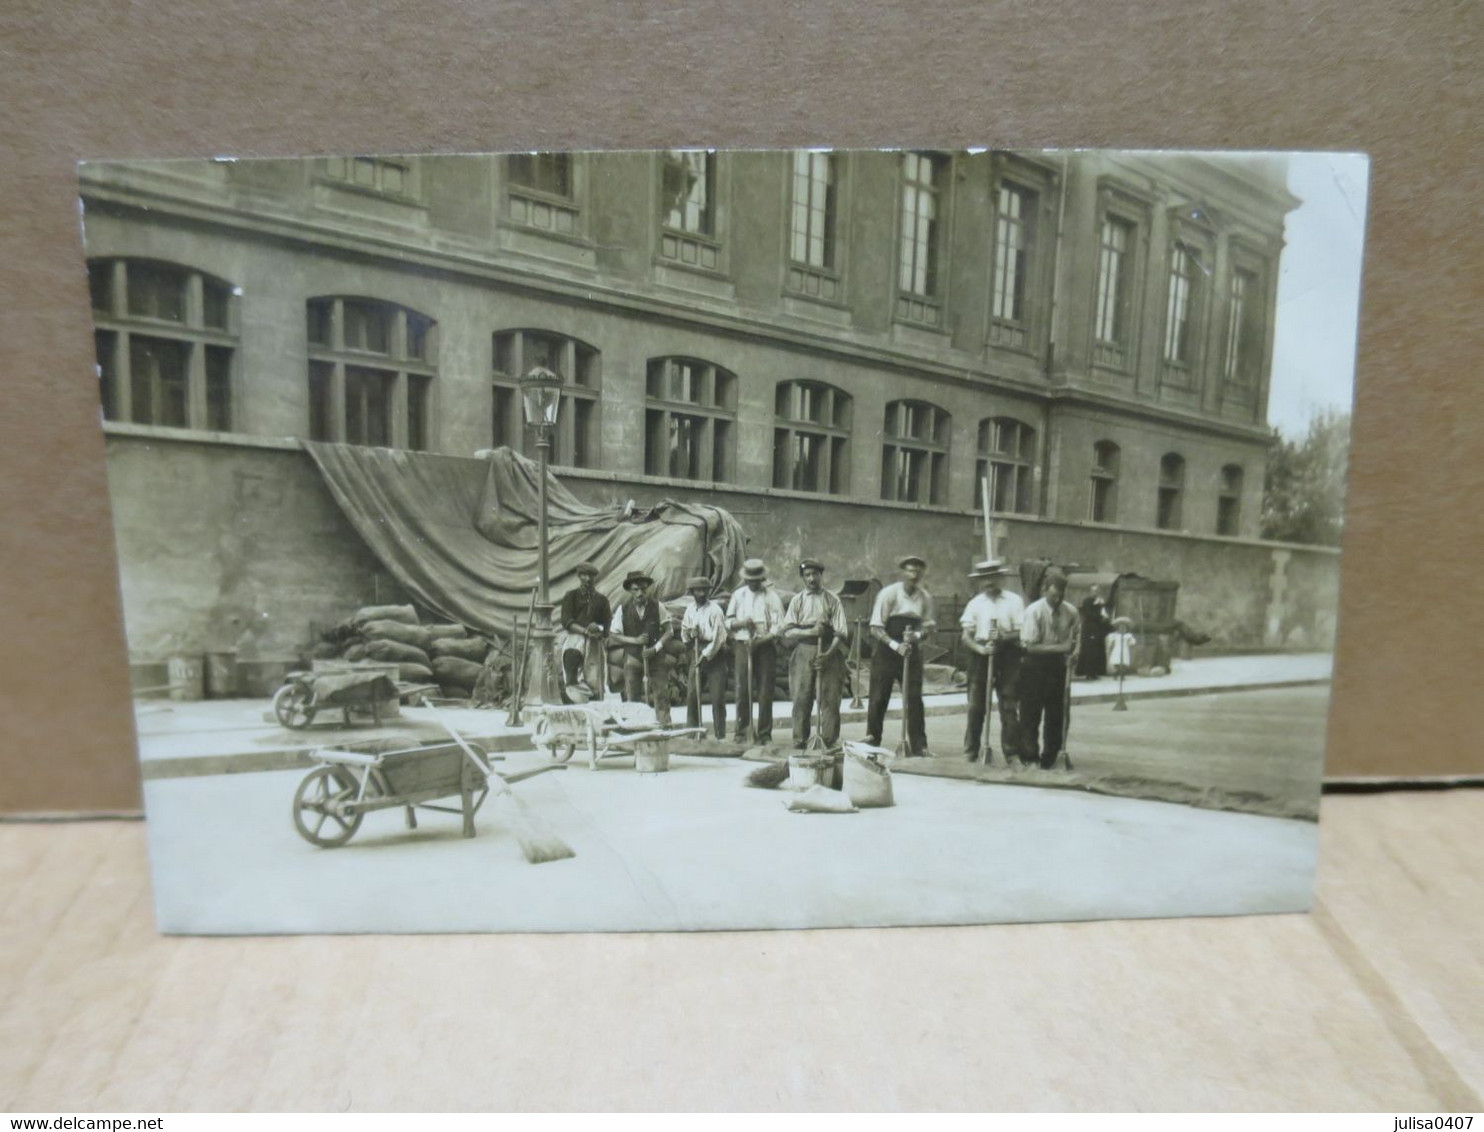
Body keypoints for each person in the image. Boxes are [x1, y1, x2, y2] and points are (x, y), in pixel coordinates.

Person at [866, 555, 937, 757]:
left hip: (912, 651)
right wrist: (896, 646)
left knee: (915, 699)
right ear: (902, 573)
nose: (913, 575)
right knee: (879, 698)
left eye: (917, 571)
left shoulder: (925, 598)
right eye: (909, 571)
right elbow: (875, 627)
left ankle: (919, 746)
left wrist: (916, 635)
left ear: (922, 574)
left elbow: (929, 627)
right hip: (887, 650)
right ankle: (872, 743)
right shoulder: (889, 594)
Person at [958, 558, 1026, 764]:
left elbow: (1022, 631)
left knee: (1008, 705)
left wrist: (1004, 637)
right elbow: (966, 636)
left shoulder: (1014, 601)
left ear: (1000, 577)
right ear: (980, 581)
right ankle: (971, 751)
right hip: (980, 656)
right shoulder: (975, 604)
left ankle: (1012, 753)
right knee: (976, 705)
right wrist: (981, 648)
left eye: (992, 577)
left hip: (1008, 655)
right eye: (984, 578)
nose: (989, 582)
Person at [784, 558, 850, 748]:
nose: (812, 578)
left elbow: (841, 631)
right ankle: (800, 740)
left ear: (821, 575)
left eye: (815, 574)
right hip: (803, 652)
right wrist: (810, 632)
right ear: (803, 578)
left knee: (830, 699)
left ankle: (828, 740)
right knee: (800, 697)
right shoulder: (798, 601)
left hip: (830, 651)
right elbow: (787, 630)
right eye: (807, 575)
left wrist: (828, 654)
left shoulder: (832, 600)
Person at [1019, 568, 1080, 769]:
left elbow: (1078, 636)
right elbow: (1030, 646)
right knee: (1031, 714)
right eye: (1054, 595)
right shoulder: (1034, 612)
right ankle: (1030, 757)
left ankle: (1051, 757)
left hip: (1058, 668)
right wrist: (1062, 648)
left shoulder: (1070, 611)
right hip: (1034, 666)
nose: (1057, 599)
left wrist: (1075, 653)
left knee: (1058, 714)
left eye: (1061, 595)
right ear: (1045, 590)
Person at [725, 558, 785, 744]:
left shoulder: (771, 597)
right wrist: (742, 623)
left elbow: (780, 627)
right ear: (745, 579)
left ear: (762, 579)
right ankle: (742, 732)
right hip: (743, 645)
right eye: (749, 580)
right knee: (742, 688)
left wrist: (762, 639)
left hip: (765, 646)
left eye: (756, 580)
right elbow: (728, 621)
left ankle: (765, 734)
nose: (753, 583)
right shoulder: (738, 595)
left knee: (765, 690)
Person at [609, 569, 674, 726]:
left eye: (643, 589)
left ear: (648, 589)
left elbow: (669, 631)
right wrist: (634, 641)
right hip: (633, 659)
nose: (640, 593)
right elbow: (613, 634)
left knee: (662, 695)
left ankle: (664, 727)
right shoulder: (622, 609)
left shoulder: (658, 606)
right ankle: (636, 728)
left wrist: (656, 648)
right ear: (630, 591)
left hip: (655, 658)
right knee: (632, 697)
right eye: (635, 589)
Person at [680, 575, 729, 739]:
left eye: (703, 590)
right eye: (697, 590)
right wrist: (689, 633)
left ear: (708, 592)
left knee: (717, 697)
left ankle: (720, 736)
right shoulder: (689, 609)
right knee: (692, 694)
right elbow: (684, 631)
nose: (700, 594)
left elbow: (718, 638)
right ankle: (692, 733)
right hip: (696, 649)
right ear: (692, 592)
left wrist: (705, 655)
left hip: (715, 654)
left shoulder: (715, 610)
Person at [558, 561, 611, 699]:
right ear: (579, 576)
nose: (587, 579)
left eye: (591, 576)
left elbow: (607, 626)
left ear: (595, 578)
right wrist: (584, 631)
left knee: (595, 683)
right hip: (575, 637)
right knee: (571, 667)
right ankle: (572, 695)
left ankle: (591, 699)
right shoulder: (571, 596)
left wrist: (597, 628)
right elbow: (566, 621)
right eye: (584, 575)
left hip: (594, 641)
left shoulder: (602, 600)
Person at [1075, 583, 1112, 680]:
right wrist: (1100, 618)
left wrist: (1105, 619)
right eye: (1094, 591)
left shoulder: (1100, 602)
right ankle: (1089, 673)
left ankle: (1096, 671)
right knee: (1090, 650)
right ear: (1090, 591)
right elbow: (1088, 614)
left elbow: (1104, 612)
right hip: (1089, 629)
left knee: (1098, 650)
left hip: (1098, 629)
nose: (1096, 593)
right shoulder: (1087, 601)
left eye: (1097, 591)